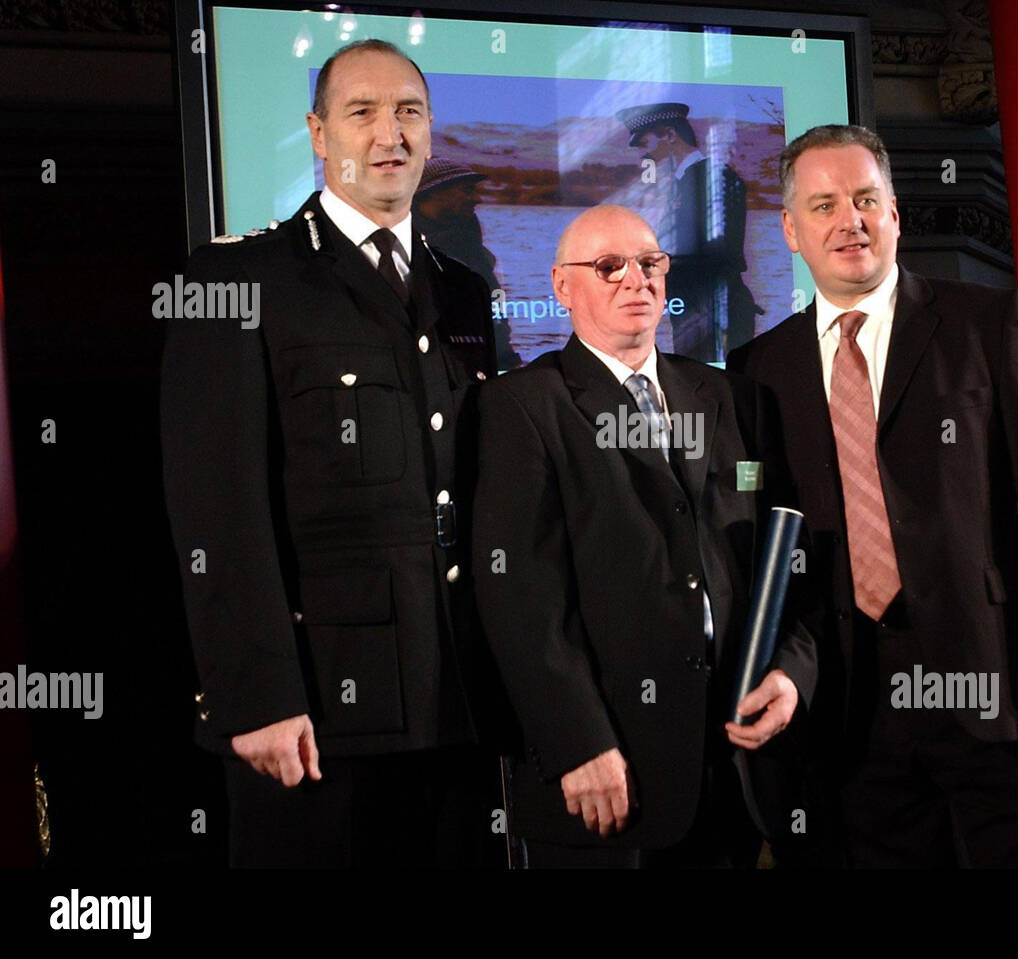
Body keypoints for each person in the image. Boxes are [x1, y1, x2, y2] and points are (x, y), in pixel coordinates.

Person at [728, 124, 1018, 868]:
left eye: (865, 199)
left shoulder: (987, 323)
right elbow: (767, 536)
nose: (848, 220)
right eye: (823, 205)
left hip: (995, 681)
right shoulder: (757, 367)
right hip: (854, 707)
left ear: (895, 213)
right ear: (790, 229)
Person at [160, 39, 504, 868]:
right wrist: (257, 697)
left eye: (410, 112)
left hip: (457, 705)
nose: (390, 133)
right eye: (363, 113)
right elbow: (218, 508)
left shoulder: (464, 286)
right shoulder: (239, 279)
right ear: (319, 134)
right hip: (318, 718)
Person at [472, 204, 816, 868]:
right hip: (607, 775)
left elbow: (790, 560)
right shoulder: (521, 406)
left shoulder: (733, 398)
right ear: (562, 287)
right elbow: (521, 601)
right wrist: (578, 743)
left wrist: (794, 673)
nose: (637, 279)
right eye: (608, 266)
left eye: (650, 262)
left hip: (734, 766)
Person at [616, 102, 760, 363]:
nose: (640, 152)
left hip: (714, 313)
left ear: (670, 135)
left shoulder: (713, 178)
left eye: (644, 141)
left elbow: (719, 253)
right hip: (696, 309)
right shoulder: (687, 180)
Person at [412, 156, 521, 370]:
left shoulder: (472, 247)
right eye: (467, 190)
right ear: (433, 192)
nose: (477, 199)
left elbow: (494, 311)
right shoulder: (397, 247)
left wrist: (506, 363)